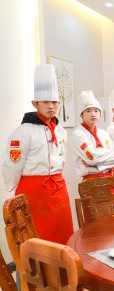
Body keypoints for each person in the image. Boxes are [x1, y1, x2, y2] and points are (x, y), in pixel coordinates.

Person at [2, 64, 73, 244]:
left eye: (55, 102)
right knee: (38, 239)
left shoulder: (61, 130)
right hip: (33, 193)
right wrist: (14, 193)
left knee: (62, 234)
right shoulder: (23, 132)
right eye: (45, 102)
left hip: (58, 189)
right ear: (35, 104)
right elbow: (12, 165)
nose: (51, 106)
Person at [71, 90, 114, 180]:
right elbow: (92, 158)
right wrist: (108, 155)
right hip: (90, 180)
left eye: (96, 111)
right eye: (88, 111)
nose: (93, 114)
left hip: (109, 178)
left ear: (100, 114)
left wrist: (95, 165)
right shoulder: (78, 134)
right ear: (82, 114)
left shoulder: (104, 133)